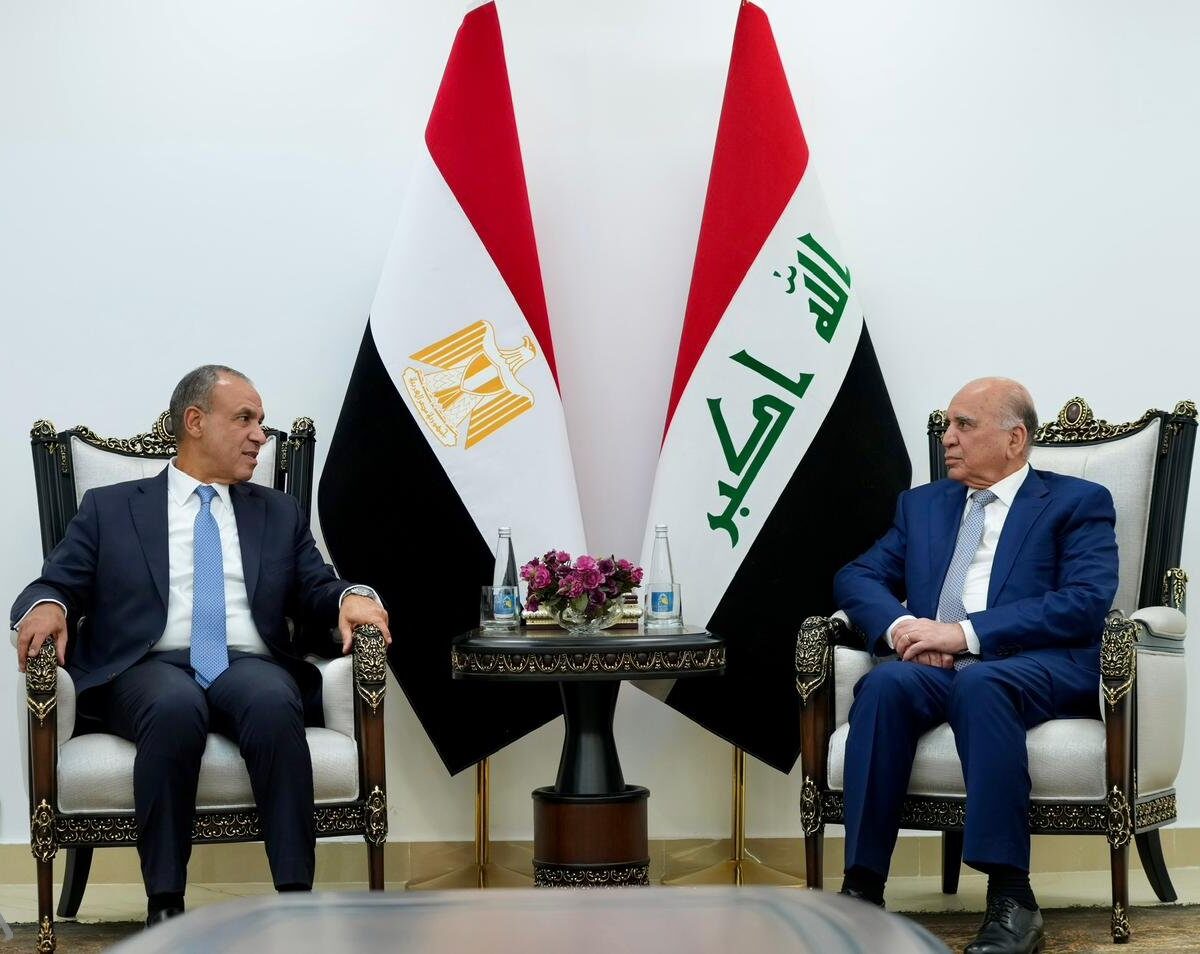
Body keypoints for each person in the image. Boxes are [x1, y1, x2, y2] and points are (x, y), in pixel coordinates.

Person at [11, 365, 391, 928]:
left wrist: (351, 596)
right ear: (195, 422)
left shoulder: (276, 511)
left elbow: (317, 585)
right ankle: (165, 906)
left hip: (246, 662)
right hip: (147, 666)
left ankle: (295, 901)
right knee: (173, 706)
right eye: (245, 419)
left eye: (261, 421)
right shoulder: (110, 508)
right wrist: (48, 606)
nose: (259, 435)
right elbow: (55, 583)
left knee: (273, 700)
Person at [832, 377, 1118, 954]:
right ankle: (861, 890)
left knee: (982, 684)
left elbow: (1085, 601)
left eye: (965, 424)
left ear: (1015, 439)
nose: (948, 437)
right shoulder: (922, 506)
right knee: (884, 684)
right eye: (947, 424)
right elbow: (857, 576)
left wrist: (963, 634)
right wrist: (905, 629)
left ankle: (1012, 897)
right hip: (936, 667)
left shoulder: (1076, 502)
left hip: (1038, 664)